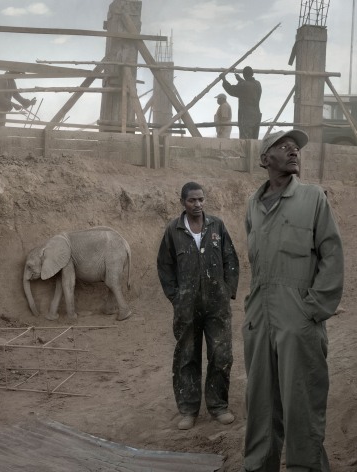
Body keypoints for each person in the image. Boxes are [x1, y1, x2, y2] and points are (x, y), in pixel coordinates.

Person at [241, 129, 344, 472]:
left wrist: (313, 309)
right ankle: (259, 465)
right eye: (283, 146)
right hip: (259, 316)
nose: (293, 151)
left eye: (295, 147)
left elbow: (332, 255)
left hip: (298, 317)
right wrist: (252, 308)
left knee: (301, 400)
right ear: (264, 158)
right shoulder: (253, 205)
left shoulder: (313, 198)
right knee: (260, 401)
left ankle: (306, 467)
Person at [157, 181, 239, 430]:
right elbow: (164, 266)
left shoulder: (217, 226)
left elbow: (230, 259)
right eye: (192, 200)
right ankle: (188, 410)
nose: (198, 204)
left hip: (217, 306)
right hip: (187, 308)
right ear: (183, 202)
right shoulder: (173, 230)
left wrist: (227, 292)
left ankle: (218, 406)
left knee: (220, 355)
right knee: (186, 357)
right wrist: (176, 297)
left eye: (201, 199)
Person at [220, 66, 261, 139]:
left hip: (246, 117)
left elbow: (231, 90)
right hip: (256, 116)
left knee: (245, 141)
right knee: (254, 141)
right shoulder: (257, 84)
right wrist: (240, 79)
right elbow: (248, 85)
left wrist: (224, 80)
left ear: (244, 75)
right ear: (252, 74)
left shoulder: (244, 85)